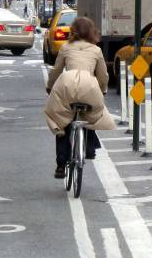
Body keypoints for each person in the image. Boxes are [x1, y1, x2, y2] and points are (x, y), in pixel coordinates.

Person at [45, 17, 116, 178]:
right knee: (91, 115)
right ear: (91, 31)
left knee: (61, 121)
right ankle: (89, 148)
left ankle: (61, 165)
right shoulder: (96, 50)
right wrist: (103, 90)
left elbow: (56, 71)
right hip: (89, 86)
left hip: (67, 84)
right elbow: (103, 75)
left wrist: (50, 86)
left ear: (73, 30)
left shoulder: (66, 47)